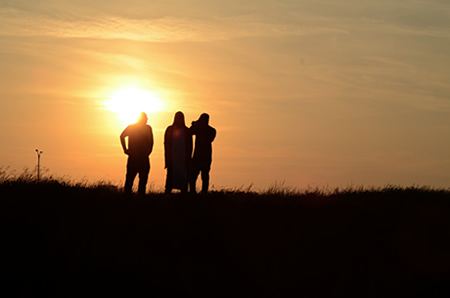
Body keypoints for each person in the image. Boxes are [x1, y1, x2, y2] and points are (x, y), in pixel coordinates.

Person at [120, 112, 154, 196]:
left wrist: (149, 151)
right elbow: (122, 136)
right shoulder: (133, 127)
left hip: (141, 157)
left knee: (141, 181)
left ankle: (138, 199)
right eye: (146, 118)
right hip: (135, 157)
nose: (147, 119)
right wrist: (125, 149)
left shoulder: (147, 128)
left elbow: (151, 141)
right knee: (130, 180)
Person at [164, 111, 192, 193]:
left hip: (183, 158)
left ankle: (184, 194)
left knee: (183, 177)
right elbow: (166, 145)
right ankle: (167, 193)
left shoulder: (187, 131)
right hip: (172, 158)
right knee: (170, 177)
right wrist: (167, 159)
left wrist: (188, 158)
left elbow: (190, 146)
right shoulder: (169, 129)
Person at [190, 113, 216, 194]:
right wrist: (195, 125)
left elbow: (208, 139)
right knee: (195, 175)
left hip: (203, 156)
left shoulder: (211, 130)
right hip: (201, 156)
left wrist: (195, 124)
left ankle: (202, 191)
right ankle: (194, 191)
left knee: (203, 175)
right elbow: (190, 132)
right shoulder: (210, 130)